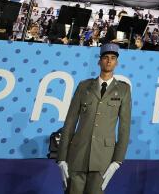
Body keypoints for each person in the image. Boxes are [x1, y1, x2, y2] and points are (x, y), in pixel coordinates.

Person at [56, 43, 132, 193]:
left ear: (117, 62)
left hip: (103, 157)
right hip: (78, 154)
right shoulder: (84, 86)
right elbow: (70, 122)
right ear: (99, 61)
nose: (109, 61)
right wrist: (62, 157)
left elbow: (124, 127)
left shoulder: (124, 89)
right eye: (105, 57)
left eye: (112, 58)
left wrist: (117, 160)